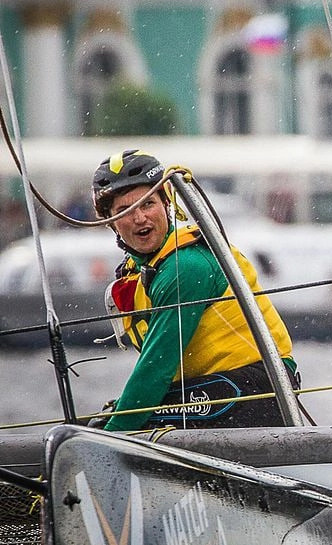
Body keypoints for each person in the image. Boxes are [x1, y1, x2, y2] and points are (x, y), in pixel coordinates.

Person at [91, 149, 298, 431]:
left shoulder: (185, 267)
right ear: (110, 221)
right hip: (217, 386)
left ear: (166, 203)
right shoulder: (145, 268)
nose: (139, 218)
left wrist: (113, 437)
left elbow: (156, 369)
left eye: (147, 203)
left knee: (114, 427)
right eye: (124, 211)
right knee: (102, 422)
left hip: (257, 387)